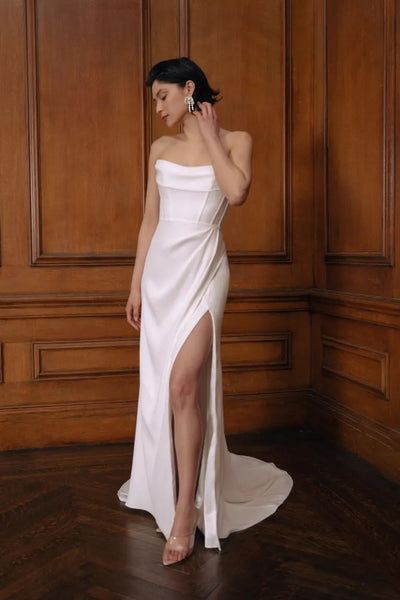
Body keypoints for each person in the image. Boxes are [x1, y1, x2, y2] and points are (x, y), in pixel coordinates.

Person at [118, 57, 293, 566]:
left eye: (163, 97)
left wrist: (213, 136)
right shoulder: (159, 149)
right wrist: (134, 287)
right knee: (169, 392)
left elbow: (236, 193)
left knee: (183, 386)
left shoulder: (238, 140)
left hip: (203, 275)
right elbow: (148, 223)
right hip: (160, 279)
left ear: (189, 89)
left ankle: (184, 512)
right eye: (155, 100)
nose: (158, 108)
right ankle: (174, 489)